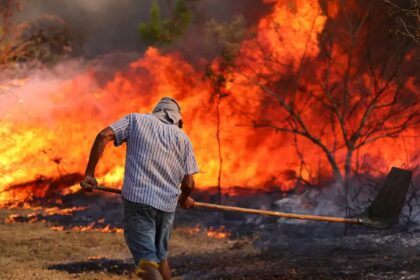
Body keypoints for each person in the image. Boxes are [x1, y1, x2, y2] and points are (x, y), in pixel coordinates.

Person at [80, 97, 199, 280]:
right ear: (176, 118)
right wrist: (184, 198)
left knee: (145, 260)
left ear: (156, 112)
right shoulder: (183, 138)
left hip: (139, 202)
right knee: (160, 259)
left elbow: (104, 135)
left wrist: (89, 174)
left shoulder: (136, 120)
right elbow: (189, 184)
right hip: (166, 207)